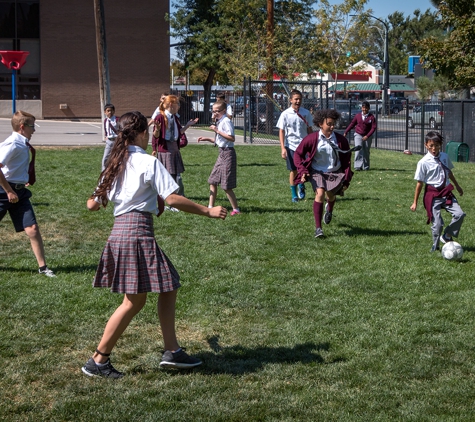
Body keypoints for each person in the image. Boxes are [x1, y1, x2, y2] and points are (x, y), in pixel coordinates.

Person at [82, 111, 227, 379]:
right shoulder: (148, 162)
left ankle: (170, 351)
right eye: (147, 133)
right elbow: (172, 199)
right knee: (135, 300)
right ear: (139, 134)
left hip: (120, 232)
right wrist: (207, 211)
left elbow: (92, 205)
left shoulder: (115, 164)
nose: (149, 137)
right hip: (137, 233)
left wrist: (130, 196)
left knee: (161, 288)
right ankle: (99, 360)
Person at [0, 110, 55, 277]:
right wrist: (9, 191)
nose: (34, 130)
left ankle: (43, 268)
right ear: (22, 127)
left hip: (20, 192)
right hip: (4, 191)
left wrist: (24, 178)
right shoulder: (13, 144)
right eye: (32, 126)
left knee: (32, 228)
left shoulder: (22, 144)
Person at [293, 109, 357, 238]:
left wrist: (347, 179)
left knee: (331, 195)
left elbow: (347, 161)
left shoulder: (340, 140)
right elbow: (298, 154)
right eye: (329, 123)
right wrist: (303, 170)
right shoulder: (311, 139)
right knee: (320, 193)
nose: (332, 126)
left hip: (334, 172)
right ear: (320, 124)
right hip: (317, 172)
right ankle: (318, 229)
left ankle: (329, 209)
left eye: (333, 123)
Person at [410, 131, 465, 252]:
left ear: (441, 145)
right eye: (431, 146)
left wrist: (457, 185)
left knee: (460, 214)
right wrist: (415, 202)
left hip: (446, 192)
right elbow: (419, 183)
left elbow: (449, 172)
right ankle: (435, 247)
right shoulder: (423, 162)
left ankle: (447, 235)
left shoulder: (444, 157)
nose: (434, 149)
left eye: (437, 145)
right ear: (426, 145)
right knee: (438, 224)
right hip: (433, 195)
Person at [151, 95, 198, 205]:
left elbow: (178, 132)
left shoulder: (175, 117)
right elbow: (156, 135)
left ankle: (177, 198)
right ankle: (172, 199)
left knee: (176, 175)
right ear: (171, 105)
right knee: (170, 176)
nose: (179, 106)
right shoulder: (160, 117)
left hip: (174, 149)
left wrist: (187, 125)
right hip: (165, 150)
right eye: (177, 104)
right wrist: (155, 145)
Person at [197, 101, 241, 215]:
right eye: (213, 111)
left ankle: (236, 209)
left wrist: (216, 130)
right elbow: (220, 141)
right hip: (221, 153)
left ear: (224, 111)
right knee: (213, 181)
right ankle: (210, 206)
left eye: (217, 111)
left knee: (226, 186)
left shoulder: (226, 122)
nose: (214, 113)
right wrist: (207, 138)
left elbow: (231, 138)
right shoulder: (220, 122)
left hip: (228, 154)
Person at [276, 89, 313, 202]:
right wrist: (283, 148)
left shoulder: (306, 113)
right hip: (291, 146)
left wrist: (313, 145)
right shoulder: (285, 114)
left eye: (300, 99)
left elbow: (310, 129)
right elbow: (281, 131)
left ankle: (301, 185)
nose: (298, 101)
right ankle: (294, 195)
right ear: (290, 100)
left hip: (304, 146)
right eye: (296, 99)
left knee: (305, 169)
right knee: (293, 170)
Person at [343, 100, 376, 171]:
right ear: (361, 108)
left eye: (366, 108)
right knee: (358, 150)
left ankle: (366, 166)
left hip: (368, 136)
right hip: (358, 135)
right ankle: (357, 166)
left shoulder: (371, 117)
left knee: (366, 151)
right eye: (363, 107)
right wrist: (346, 131)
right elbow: (352, 124)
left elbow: (373, 127)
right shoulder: (357, 116)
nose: (364, 109)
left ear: (369, 108)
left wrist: (367, 136)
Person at [102, 103, 118, 171]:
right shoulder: (105, 120)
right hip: (109, 141)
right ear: (105, 112)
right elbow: (106, 129)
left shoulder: (117, 119)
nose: (110, 112)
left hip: (117, 141)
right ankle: (103, 173)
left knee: (117, 157)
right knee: (105, 158)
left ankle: (116, 171)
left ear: (114, 111)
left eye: (111, 110)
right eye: (108, 111)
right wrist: (106, 136)